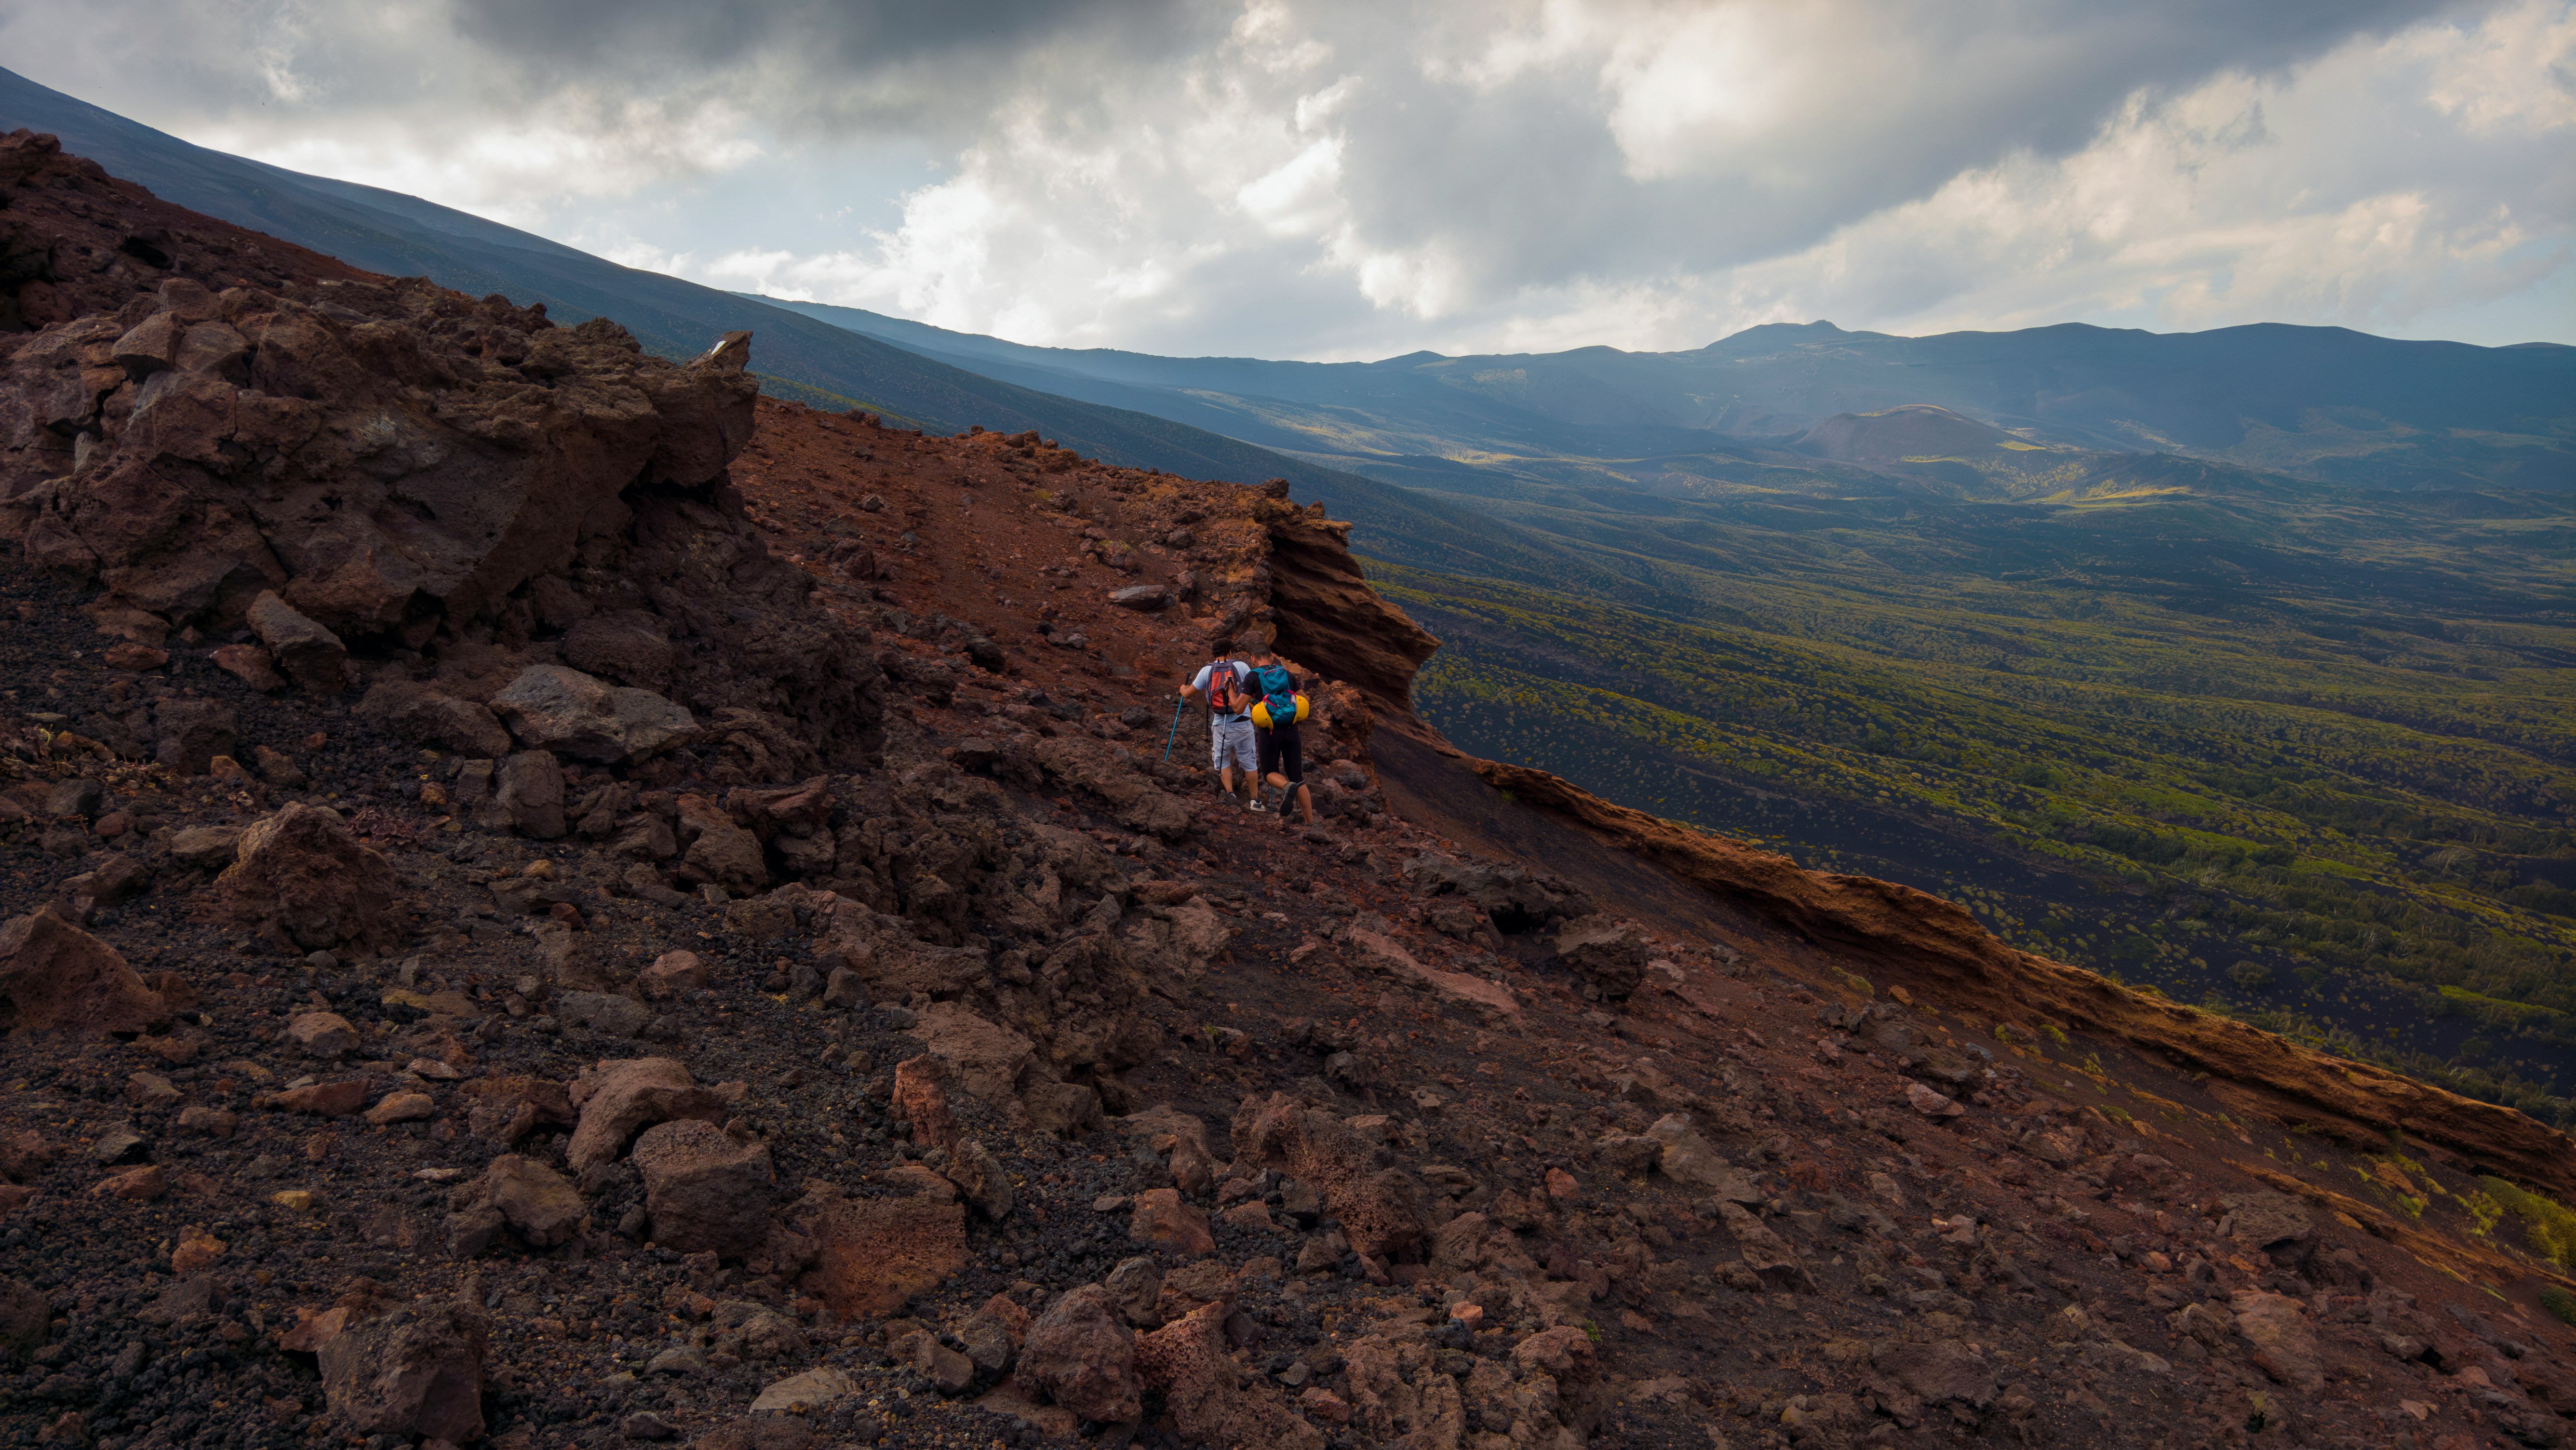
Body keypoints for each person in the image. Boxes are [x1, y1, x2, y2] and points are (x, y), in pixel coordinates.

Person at [1179, 644, 1259, 809]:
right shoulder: (1241, 666)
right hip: (1243, 721)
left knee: (1222, 760)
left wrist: (1182, 689)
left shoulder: (1207, 670)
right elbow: (1254, 688)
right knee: (1250, 762)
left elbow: (1188, 694)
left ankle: (1230, 794)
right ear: (1230, 651)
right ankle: (1255, 801)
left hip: (1220, 723)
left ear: (1213, 653)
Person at [1246, 643, 1315, 827]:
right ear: (1272, 657)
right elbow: (1306, 701)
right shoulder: (1287, 675)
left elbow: (1238, 708)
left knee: (1270, 772)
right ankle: (1310, 824)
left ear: (1253, 658)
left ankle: (1286, 787)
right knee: (1298, 778)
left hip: (1269, 733)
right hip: (1291, 732)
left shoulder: (1252, 677)